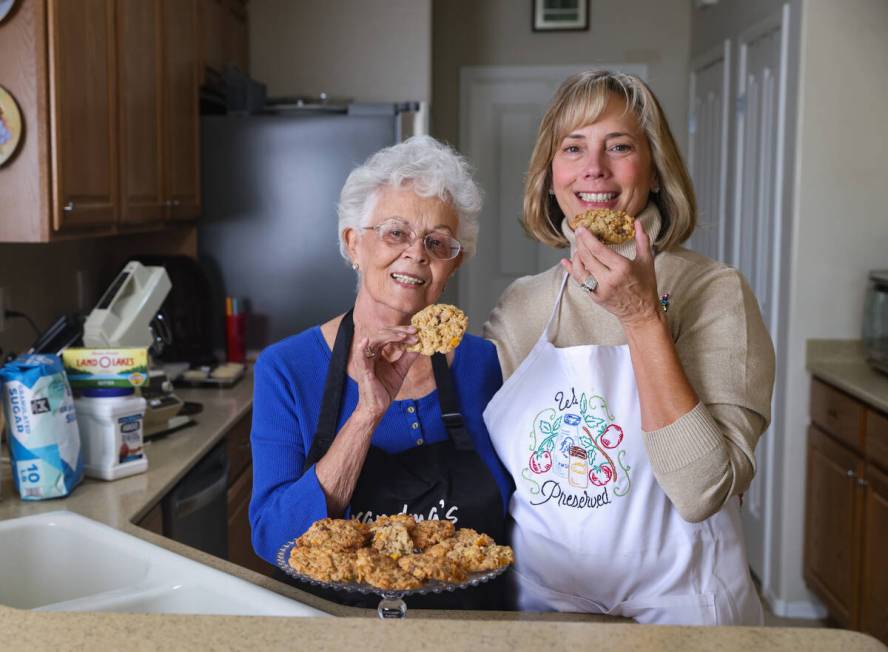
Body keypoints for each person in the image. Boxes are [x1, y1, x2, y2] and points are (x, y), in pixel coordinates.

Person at [482, 70, 775, 624]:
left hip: (684, 606)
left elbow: (702, 491)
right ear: (550, 178)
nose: (594, 168)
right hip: (544, 606)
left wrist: (642, 318)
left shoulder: (715, 291)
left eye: (619, 146)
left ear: (656, 172)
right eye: (573, 148)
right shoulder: (521, 305)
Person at [249, 135, 512, 608]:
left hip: (466, 631)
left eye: (437, 242)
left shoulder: (484, 364)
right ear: (353, 243)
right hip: (335, 631)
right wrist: (368, 413)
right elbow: (273, 538)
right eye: (395, 233)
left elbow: (516, 519)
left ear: (454, 263)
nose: (416, 253)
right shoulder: (286, 369)